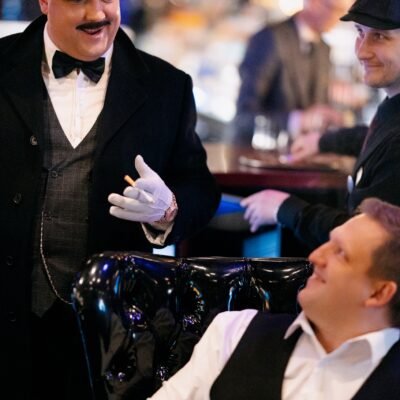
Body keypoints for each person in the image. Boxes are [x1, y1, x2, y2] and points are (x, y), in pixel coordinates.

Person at [0, 0, 220, 399]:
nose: (97, 13)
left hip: (115, 331)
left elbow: (200, 188)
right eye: (79, 0)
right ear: (44, 2)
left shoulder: (167, 85)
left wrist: (168, 209)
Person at [149, 197, 400, 400]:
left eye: (341, 253)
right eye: (328, 243)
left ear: (379, 292)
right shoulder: (233, 333)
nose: (315, 257)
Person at [240, 0, 400, 251]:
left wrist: (287, 209)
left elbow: (367, 240)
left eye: (380, 36)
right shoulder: (391, 107)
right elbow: (375, 138)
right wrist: (322, 140)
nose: (361, 52)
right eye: (360, 32)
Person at [228, 0, 352, 146]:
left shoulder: (324, 49)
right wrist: (298, 121)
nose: (339, 17)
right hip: (257, 151)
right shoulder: (269, 38)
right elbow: (244, 116)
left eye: (343, 11)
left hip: (301, 153)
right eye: (334, 9)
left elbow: (319, 103)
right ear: (313, 3)